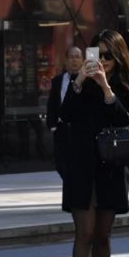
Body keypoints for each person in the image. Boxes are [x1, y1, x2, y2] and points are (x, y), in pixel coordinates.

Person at [58, 29, 129, 257]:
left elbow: (124, 120)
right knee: (84, 232)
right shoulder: (79, 83)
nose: (104, 60)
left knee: (103, 235)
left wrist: (106, 87)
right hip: (82, 166)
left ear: (119, 56)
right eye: (99, 54)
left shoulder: (126, 86)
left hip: (111, 168)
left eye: (109, 55)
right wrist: (81, 79)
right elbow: (66, 115)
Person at [46, 45, 84, 178]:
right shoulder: (58, 81)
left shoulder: (89, 80)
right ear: (66, 60)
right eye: (71, 57)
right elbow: (51, 104)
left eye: (77, 57)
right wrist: (52, 125)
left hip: (81, 130)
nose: (74, 60)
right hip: (62, 130)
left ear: (82, 60)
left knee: (80, 166)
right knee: (62, 165)